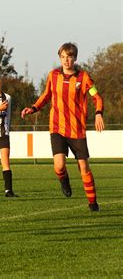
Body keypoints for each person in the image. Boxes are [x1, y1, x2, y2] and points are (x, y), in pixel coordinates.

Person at [21, 42, 104, 212]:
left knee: (84, 167)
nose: (66, 60)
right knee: (58, 165)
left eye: (69, 56)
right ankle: (64, 181)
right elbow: (46, 95)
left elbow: (97, 97)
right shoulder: (53, 75)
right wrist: (34, 108)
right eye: (63, 57)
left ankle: (93, 203)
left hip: (77, 129)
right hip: (57, 127)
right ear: (60, 57)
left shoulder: (84, 78)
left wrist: (98, 113)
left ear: (75, 57)